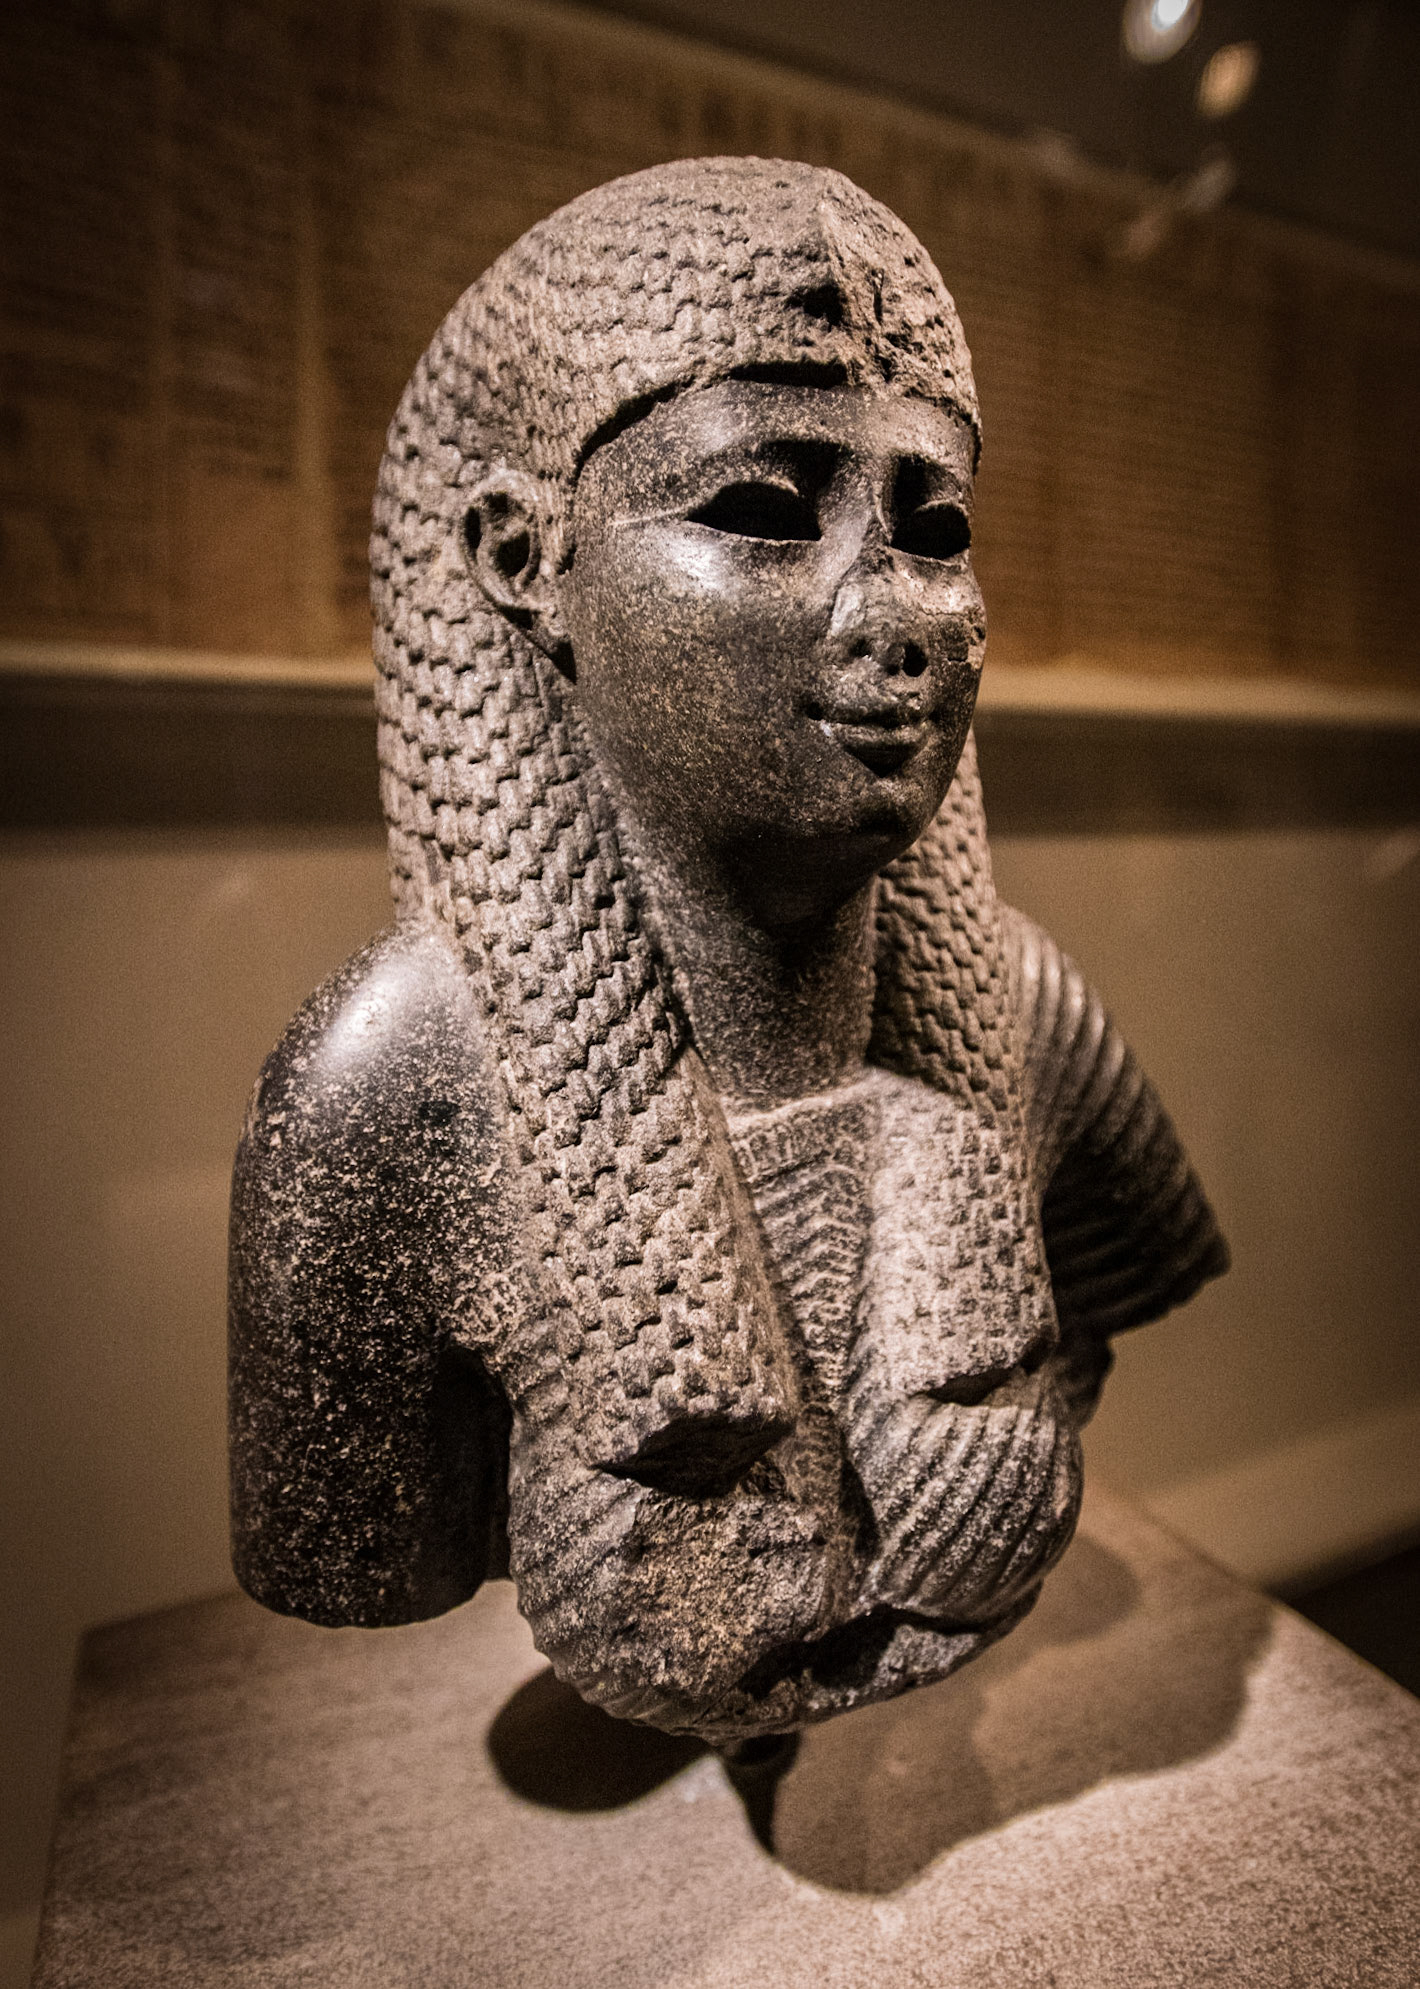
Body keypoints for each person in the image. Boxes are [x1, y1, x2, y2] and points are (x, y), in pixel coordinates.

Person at [230, 158, 1226, 1744]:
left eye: (933, 524)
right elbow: (353, 1545)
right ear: (525, 564)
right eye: (763, 508)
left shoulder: (1028, 1011)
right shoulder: (386, 1093)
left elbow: (1111, 1308)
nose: (895, 609)